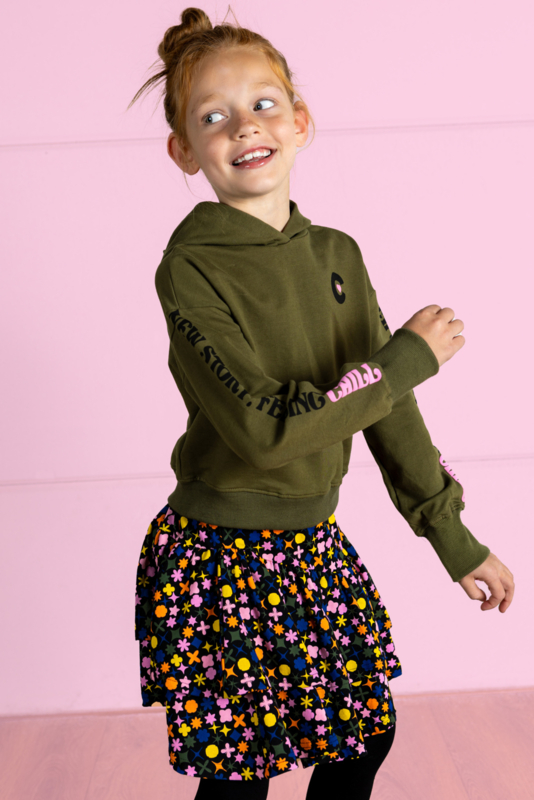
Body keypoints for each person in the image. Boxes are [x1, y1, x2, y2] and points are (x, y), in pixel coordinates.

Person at [128, 6, 515, 799]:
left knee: (363, 736)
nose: (244, 125)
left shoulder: (337, 254)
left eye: (263, 104)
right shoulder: (190, 268)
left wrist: (454, 539)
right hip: (220, 561)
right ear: (184, 151)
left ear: (299, 122)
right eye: (213, 117)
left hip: (311, 547)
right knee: (243, 775)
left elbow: (386, 409)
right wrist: (404, 360)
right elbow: (266, 432)